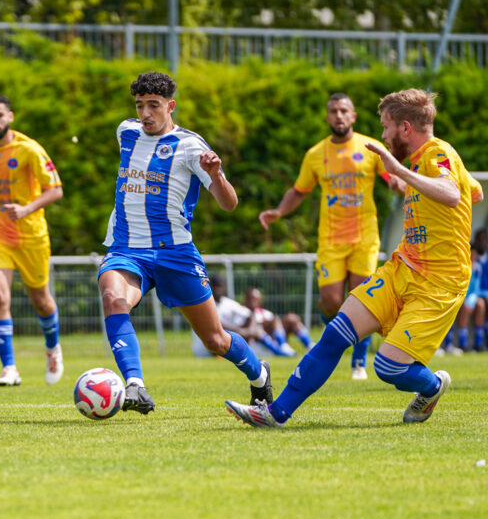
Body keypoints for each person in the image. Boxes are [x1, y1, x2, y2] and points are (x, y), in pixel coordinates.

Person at [226, 88, 477, 428]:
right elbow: (472, 191)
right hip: (402, 268)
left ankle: (432, 387)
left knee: (388, 367)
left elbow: (451, 193)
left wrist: (401, 173)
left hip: (438, 283)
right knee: (334, 334)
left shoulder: (436, 153)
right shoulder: (426, 160)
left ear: (405, 128)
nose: (383, 135)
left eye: (386, 126)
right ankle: (275, 413)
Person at [98, 71, 272, 415]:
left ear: (171, 106)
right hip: (126, 248)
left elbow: (229, 204)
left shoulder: (191, 146)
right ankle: (135, 385)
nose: (145, 113)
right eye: (140, 105)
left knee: (215, 340)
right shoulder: (126, 132)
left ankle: (260, 375)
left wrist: (217, 174)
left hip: (175, 252)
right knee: (113, 299)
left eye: (154, 105)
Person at [258, 93, 405, 380]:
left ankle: (358, 363)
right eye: (334, 111)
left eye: (344, 110)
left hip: (364, 237)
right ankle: (336, 342)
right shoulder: (316, 154)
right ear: (327, 117)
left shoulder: (369, 148)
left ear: (353, 116)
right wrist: (279, 211)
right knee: (330, 301)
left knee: (362, 298)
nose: (339, 115)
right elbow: (299, 190)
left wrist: (398, 183)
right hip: (331, 239)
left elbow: (392, 175)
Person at [0, 94, 65, 386]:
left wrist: (27, 208)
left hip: (31, 235)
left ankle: (52, 347)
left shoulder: (29, 149)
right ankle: (9, 368)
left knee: (41, 300)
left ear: (10, 117)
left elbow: (55, 189)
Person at [242, 287, 313, 356]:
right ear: (246, 299)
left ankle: (310, 346)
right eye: (251, 298)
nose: (254, 301)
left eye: (257, 299)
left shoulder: (265, 313)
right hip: (256, 343)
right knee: (270, 323)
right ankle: (283, 347)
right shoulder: (241, 312)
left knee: (292, 318)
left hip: (272, 338)